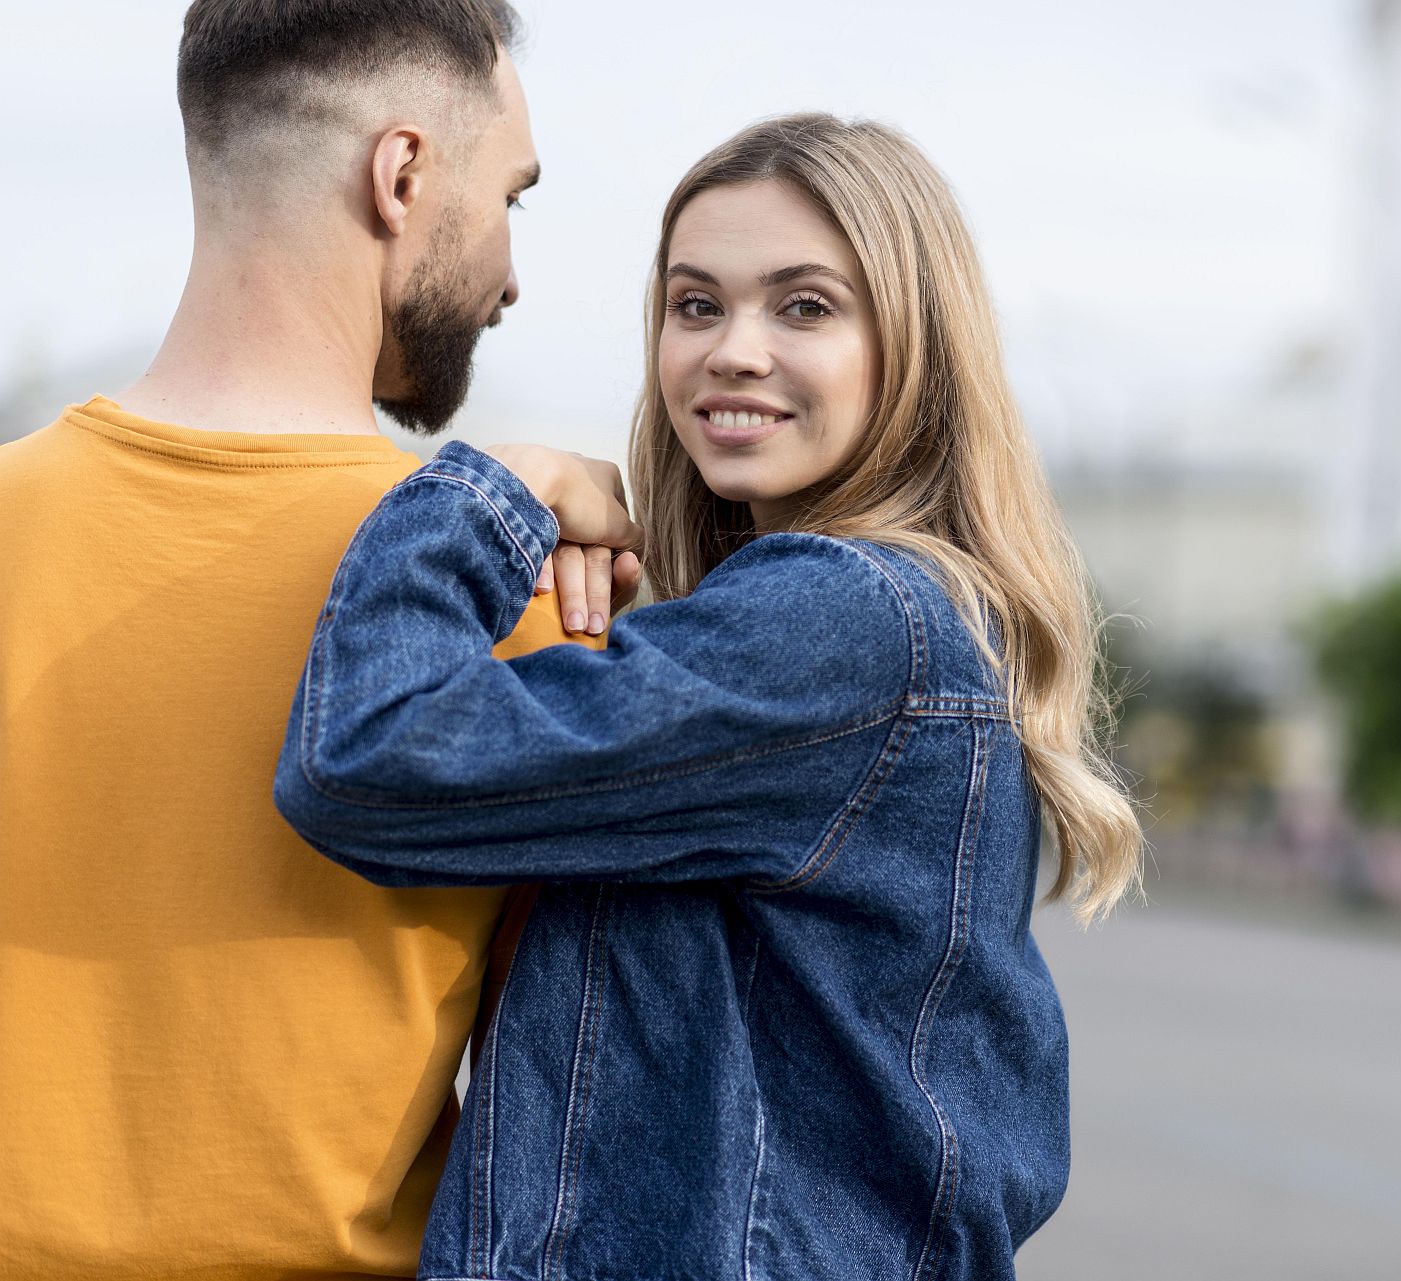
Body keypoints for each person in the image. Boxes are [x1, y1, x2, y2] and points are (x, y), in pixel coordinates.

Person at [273, 113, 1145, 1279]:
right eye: (697, 305)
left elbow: (368, 757)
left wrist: (495, 494)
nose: (733, 350)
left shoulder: (846, 620)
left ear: (916, 345)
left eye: (806, 307)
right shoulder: (898, 618)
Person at [0, 3, 634, 1276]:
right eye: (512, 196)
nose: (514, 276)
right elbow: (561, 1105)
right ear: (401, 176)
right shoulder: (532, 604)